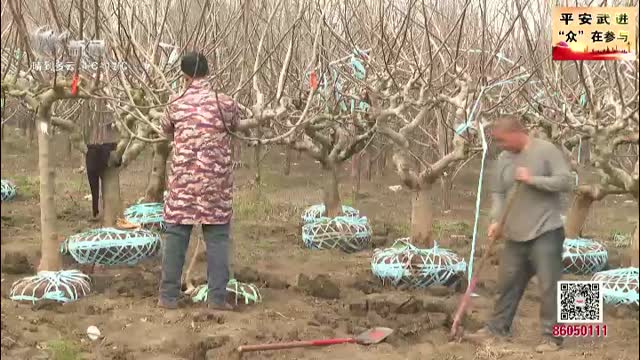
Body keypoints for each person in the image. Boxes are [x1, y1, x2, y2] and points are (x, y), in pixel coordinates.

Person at [465, 114, 573, 353]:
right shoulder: (504, 159)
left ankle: (553, 337)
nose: (501, 146)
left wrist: (532, 179)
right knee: (506, 283)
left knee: (549, 285)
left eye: (503, 140)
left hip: (546, 230)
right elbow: (499, 194)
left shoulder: (545, 150)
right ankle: (497, 329)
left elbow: (566, 181)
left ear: (516, 133)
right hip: (515, 234)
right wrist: (496, 221)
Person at [158, 51, 240, 311]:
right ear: (207, 72)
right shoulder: (224, 103)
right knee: (216, 238)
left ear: (184, 77)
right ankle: (216, 298)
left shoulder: (175, 103)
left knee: (175, 236)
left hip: (183, 183)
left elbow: (166, 130)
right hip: (215, 184)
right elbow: (235, 125)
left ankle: (168, 296)